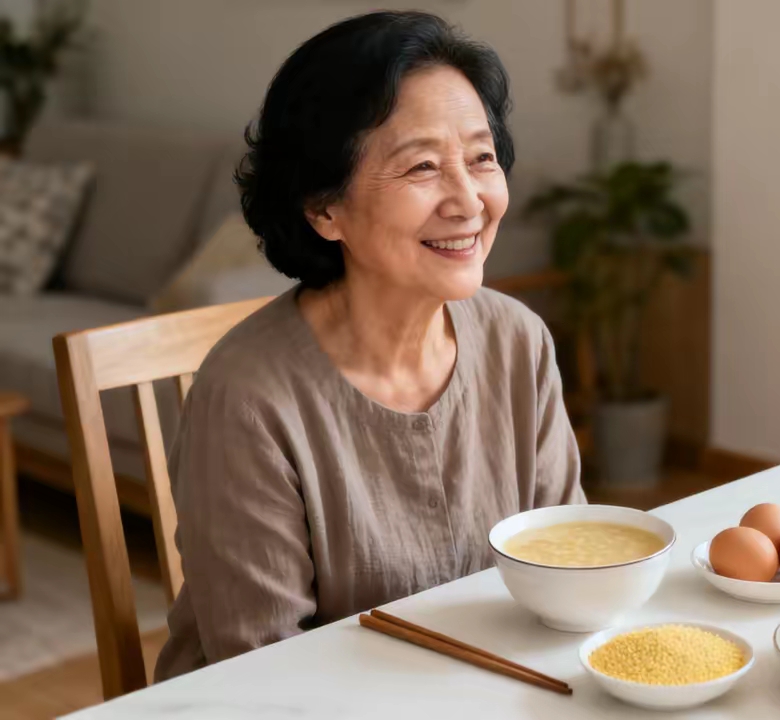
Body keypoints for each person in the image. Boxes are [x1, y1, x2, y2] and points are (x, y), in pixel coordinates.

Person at [155, 11, 584, 680]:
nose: (468, 200)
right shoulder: (250, 396)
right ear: (325, 208)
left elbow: (567, 567)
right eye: (422, 168)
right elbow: (262, 670)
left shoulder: (516, 341)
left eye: (481, 158)